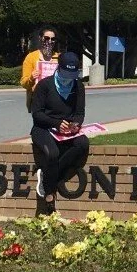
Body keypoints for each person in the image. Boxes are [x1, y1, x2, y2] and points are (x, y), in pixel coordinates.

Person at [29, 51, 89, 217]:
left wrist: (75, 125)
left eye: (72, 75)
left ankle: (48, 179)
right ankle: (49, 196)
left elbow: (79, 113)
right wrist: (55, 123)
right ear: (58, 69)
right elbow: (37, 113)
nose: (68, 79)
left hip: (66, 130)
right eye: (65, 74)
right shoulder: (45, 85)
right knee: (52, 153)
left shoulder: (78, 86)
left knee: (82, 144)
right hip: (44, 128)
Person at [21, 26, 59, 110]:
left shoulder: (59, 58)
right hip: (37, 101)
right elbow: (23, 83)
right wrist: (31, 78)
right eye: (46, 38)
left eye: (53, 39)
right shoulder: (31, 57)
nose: (49, 41)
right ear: (40, 38)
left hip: (56, 101)